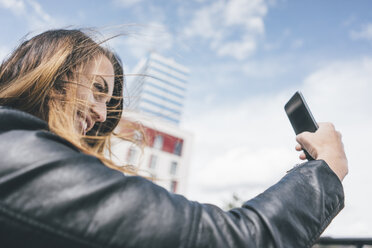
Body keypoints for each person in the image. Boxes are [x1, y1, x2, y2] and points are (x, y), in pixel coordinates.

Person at [0, 29, 348, 248]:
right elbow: (235, 238)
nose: (103, 115)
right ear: (52, 75)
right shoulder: (19, 156)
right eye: (97, 90)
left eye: (108, 103)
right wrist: (325, 171)